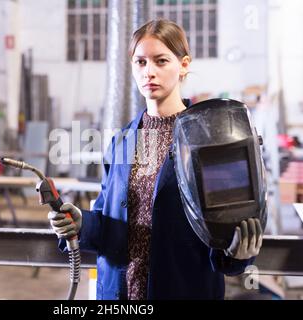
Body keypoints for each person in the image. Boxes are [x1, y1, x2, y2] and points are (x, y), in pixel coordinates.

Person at [48, 19, 263, 300]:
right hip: (119, 294)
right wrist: (81, 224)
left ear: (184, 64)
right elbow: (110, 222)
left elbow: (229, 224)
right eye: (140, 62)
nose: (149, 72)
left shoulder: (211, 139)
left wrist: (238, 254)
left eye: (161, 61)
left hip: (184, 289)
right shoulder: (122, 142)